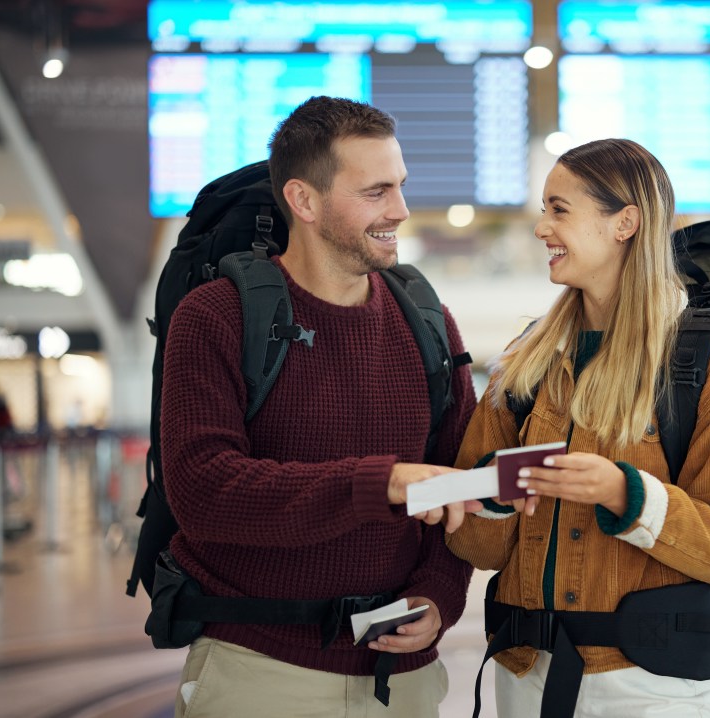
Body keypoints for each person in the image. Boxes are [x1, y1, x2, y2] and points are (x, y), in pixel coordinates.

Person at [159, 96, 480, 718]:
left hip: (403, 677)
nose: (401, 211)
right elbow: (202, 489)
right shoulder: (217, 317)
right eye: (376, 192)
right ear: (304, 201)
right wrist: (378, 483)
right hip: (260, 671)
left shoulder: (429, 323)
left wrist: (440, 597)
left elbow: (455, 484)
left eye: (401, 187)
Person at [446, 138, 710, 718]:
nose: (542, 227)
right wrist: (490, 496)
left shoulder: (707, 362)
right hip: (526, 674)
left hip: (650, 687)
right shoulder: (525, 362)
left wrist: (626, 494)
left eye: (559, 209)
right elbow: (473, 547)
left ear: (625, 222)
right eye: (544, 209)